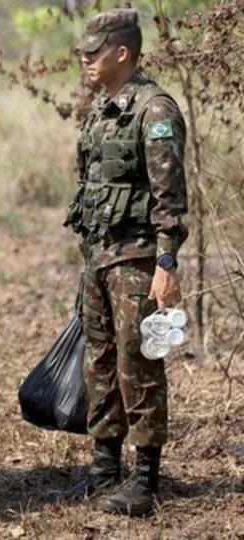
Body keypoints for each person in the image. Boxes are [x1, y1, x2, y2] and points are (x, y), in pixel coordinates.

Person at [50, 8, 188, 517]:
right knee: (100, 363)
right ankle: (105, 471)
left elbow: (169, 196)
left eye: (95, 50)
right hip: (100, 260)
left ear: (122, 52)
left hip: (138, 260)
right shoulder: (103, 111)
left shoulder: (154, 112)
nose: (86, 57)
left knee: (140, 364)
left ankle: (145, 481)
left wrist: (166, 262)